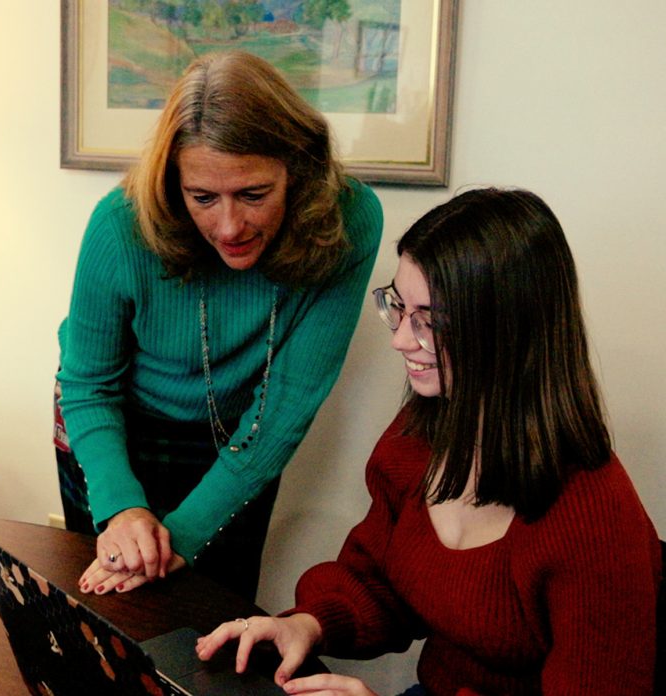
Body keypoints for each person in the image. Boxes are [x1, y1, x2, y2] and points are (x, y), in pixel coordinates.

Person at [196, 188, 661, 695]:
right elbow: (381, 581)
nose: (400, 339)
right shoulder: (414, 441)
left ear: (509, 329)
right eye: (397, 306)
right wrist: (306, 625)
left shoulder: (594, 518)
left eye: (430, 321)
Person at [54, 50, 383, 601]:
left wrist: (177, 540)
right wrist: (122, 507)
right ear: (172, 182)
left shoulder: (350, 221)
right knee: (111, 616)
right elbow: (88, 385)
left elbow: (285, 406)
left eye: (254, 194)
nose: (229, 226)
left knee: (213, 618)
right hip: (111, 425)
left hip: (241, 439)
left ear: (298, 170)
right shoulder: (120, 225)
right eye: (202, 197)